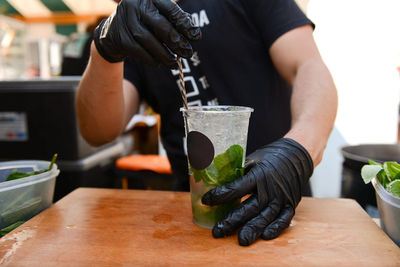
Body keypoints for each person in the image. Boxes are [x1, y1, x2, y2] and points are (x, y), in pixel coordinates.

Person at [76, 0, 338, 246]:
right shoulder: (133, 25)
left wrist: (297, 150)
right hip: (194, 218)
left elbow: (308, 66)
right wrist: (104, 51)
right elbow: (98, 131)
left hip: (279, 200)